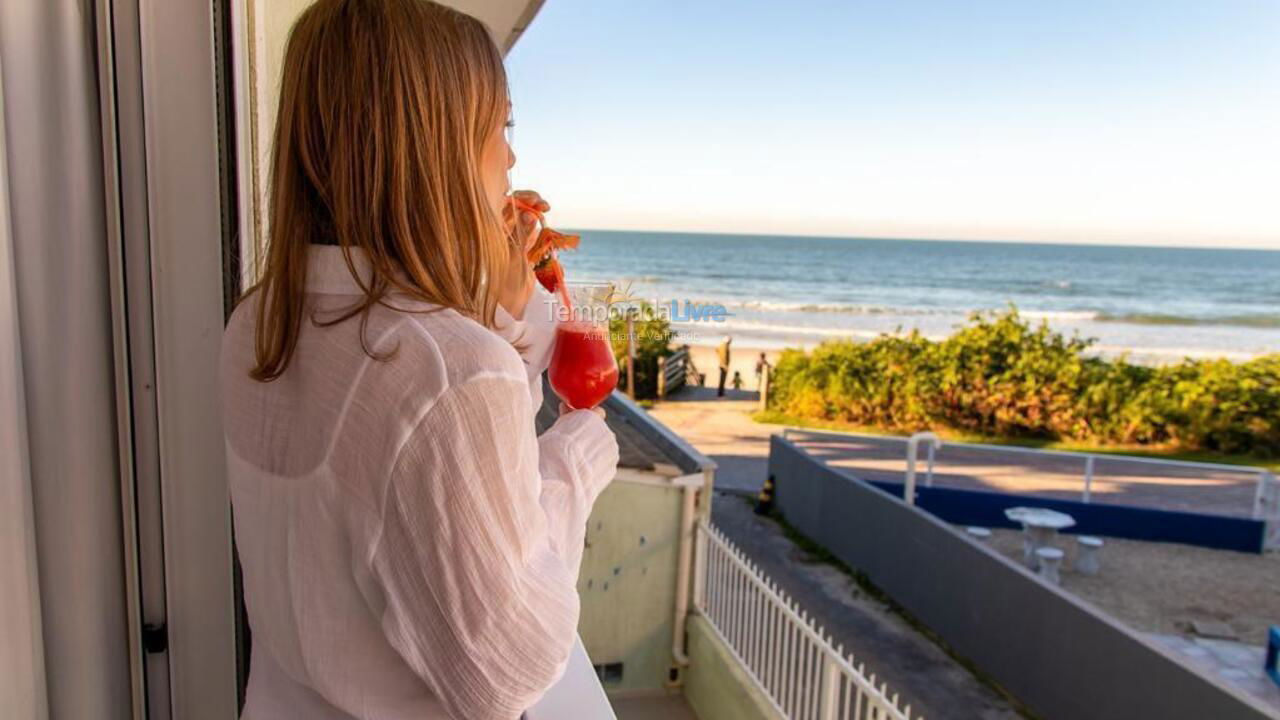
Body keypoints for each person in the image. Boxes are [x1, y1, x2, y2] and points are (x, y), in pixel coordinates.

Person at [218, 2, 619, 718]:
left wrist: (496, 319)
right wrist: (579, 453)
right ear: (438, 146)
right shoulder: (449, 373)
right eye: (502, 126)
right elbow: (511, 670)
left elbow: (406, 489)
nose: (513, 157)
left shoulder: (259, 320)